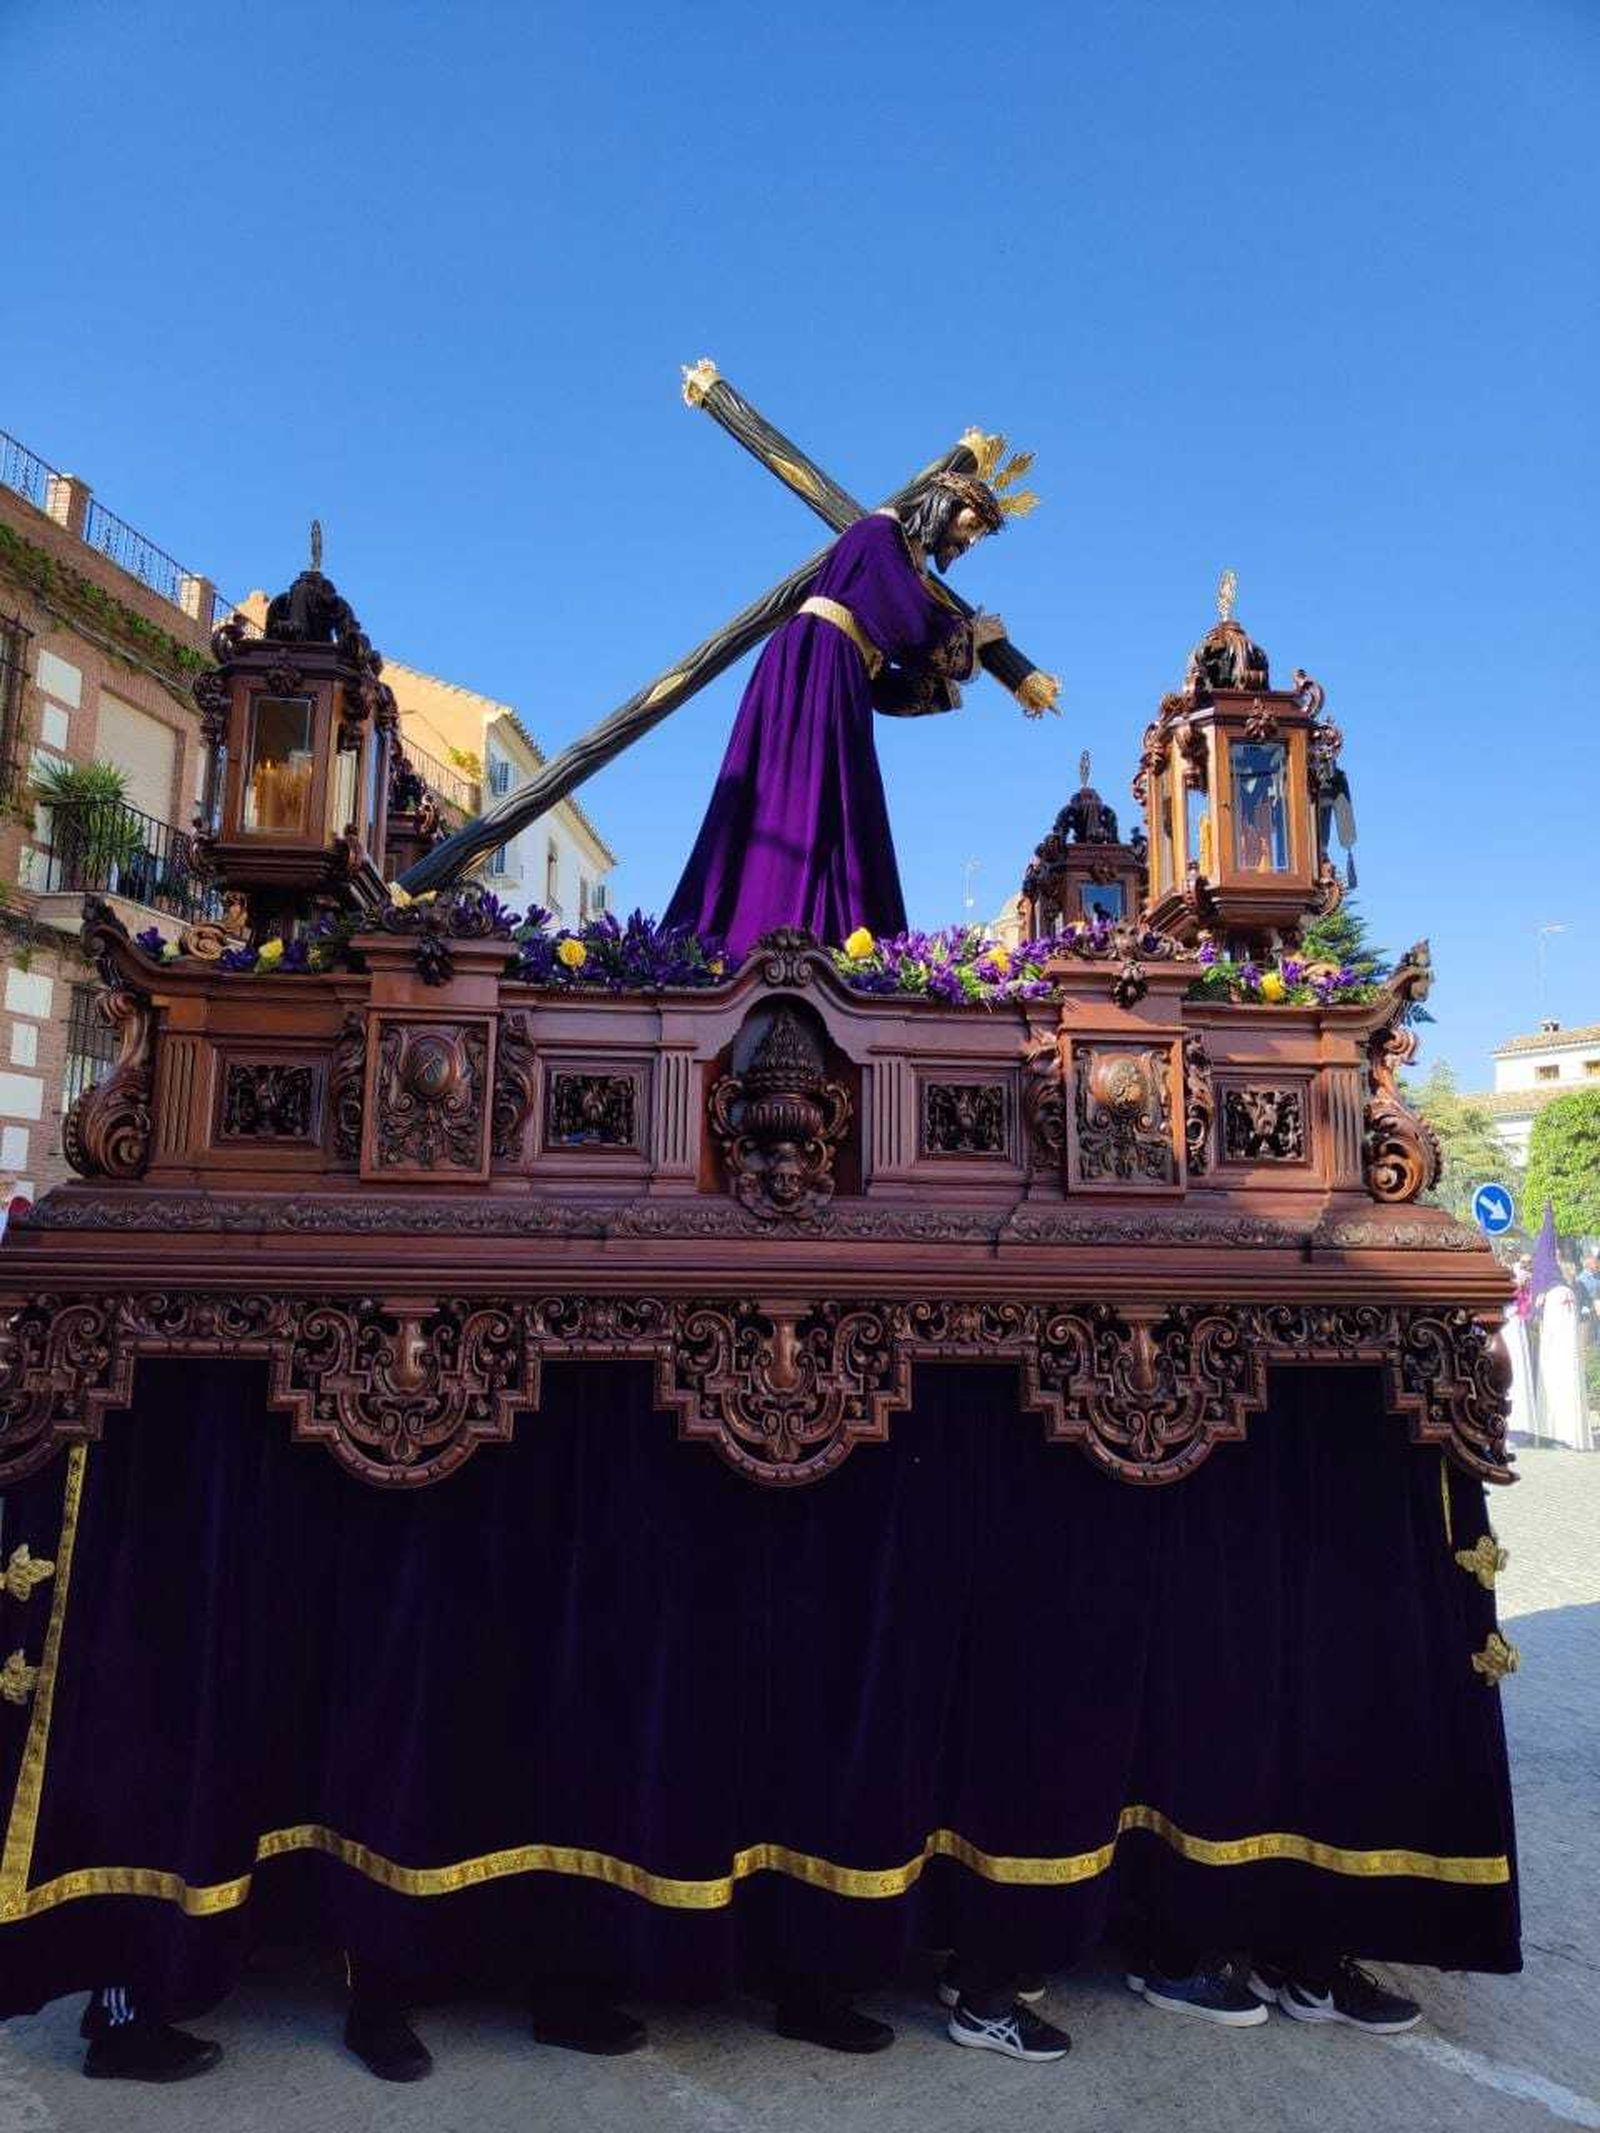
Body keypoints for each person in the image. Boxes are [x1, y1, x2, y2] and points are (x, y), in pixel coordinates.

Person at [664, 476, 1010, 960]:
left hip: (839, 674)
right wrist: (970, 634)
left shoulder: (902, 562)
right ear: (945, 504)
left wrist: (942, 672)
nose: (967, 541)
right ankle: (768, 925)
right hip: (814, 664)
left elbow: (885, 683)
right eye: (970, 525)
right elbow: (914, 627)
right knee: (799, 793)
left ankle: (830, 933)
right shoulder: (880, 535)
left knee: (842, 801)